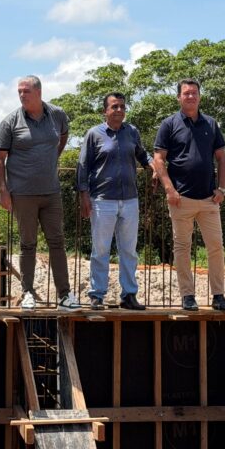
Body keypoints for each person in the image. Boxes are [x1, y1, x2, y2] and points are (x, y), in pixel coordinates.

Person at [0, 75, 79, 312]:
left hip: (51, 192)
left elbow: (63, 137)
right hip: (22, 194)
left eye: (26, 91)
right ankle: (27, 293)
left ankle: (65, 295)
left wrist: (52, 158)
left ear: (39, 92)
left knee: (57, 242)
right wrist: (3, 190)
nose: (22, 95)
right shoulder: (10, 122)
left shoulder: (57, 115)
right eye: (19, 91)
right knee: (28, 244)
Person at [153, 78, 225, 312]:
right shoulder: (169, 124)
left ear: (199, 96)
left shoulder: (211, 123)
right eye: (186, 93)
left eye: (194, 93)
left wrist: (222, 189)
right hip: (181, 199)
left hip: (209, 199)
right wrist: (169, 189)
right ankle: (187, 296)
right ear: (179, 97)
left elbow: (222, 157)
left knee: (216, 246)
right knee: (182, 248)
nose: (190, 96)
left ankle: (218, 295)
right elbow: (159, 159)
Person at [77, 92, 151, 311]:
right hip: (102, 200)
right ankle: (97, 295)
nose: (119, 110)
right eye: (114, 106)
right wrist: (84, 195)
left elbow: (143, 155)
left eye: (122, 106)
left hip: (129, 200)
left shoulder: (132, 132)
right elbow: (83, 166)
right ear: (105, 111)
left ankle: (129, 295)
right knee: (101, 250)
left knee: (129, 251)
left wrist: (154, 168)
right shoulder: (94, 134)